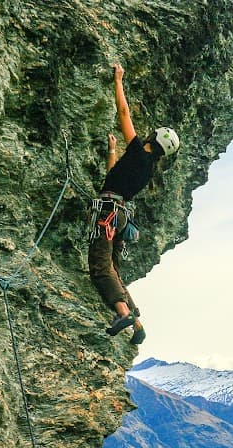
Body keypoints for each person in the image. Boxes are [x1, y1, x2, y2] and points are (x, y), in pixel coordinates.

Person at [88, 64, 180, 342]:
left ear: (153, 138)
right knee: (113, 270)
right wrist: (112, 151)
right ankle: (137, 325)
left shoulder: (139, 151)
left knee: (101, 267)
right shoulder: (147, 168)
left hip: (107, 213)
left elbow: (124, 113)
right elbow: (114, 178)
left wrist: (118, 80)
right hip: (118, 215)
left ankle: (122, 312)